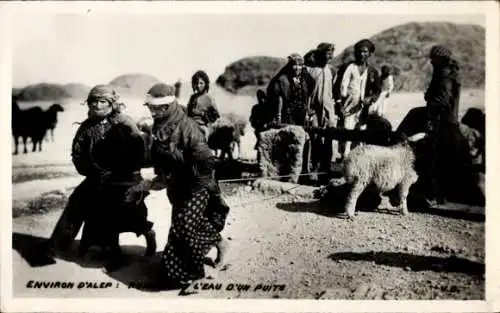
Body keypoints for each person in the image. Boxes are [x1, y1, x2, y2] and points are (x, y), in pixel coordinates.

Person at [125, 83, 231, 287]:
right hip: (177, 187)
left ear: (167, 107)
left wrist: (193, 182)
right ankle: (222, 244)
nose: (153, 112)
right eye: (150, 108)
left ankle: (192, 277)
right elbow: (162, 160)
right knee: (191, 224)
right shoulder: (159, 126)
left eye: (156, 108)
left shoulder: (187, 127)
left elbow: (206, 160)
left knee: (183, 229)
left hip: (197, 186)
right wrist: (153, 180)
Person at [43, 85, 156, 271]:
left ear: (111, 104)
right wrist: (88, 169)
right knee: (78, 202)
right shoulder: (87, 126)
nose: (97, 105)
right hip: (98, 177)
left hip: (124, 177)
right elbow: (77, 152)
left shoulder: (124, 123)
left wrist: (127, 174)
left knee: (130, 216)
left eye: (102, 101)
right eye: (93, 101)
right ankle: (59, 246)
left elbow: (138, 151)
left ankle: (148, 234)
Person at [423, 45, 462, 207]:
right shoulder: (449, 73)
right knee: (442, 159)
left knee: (436, 158)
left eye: (434, 58)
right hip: (449, 120)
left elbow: (442, 100)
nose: (431, 61)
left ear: (441, 59)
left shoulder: (444, 74)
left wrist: (430, 102)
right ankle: (440, 196)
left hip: (442, 121)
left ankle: (435, 196)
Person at [334, 39, 381, 161]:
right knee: (346, 135)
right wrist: (339, 104)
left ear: (370, 53)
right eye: (359, 51)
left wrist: (371, 98)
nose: (362, 54)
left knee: (360, 135)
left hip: (363, 110)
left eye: (365, 52)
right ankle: (344, 162)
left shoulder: (372, 72)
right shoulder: (347, 67)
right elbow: (337, 86)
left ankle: (358, 162)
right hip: (347, 108)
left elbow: (378, 90)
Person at [305, 43, 337, 183]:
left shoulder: (331, 71)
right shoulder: (311, 71)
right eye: (327, 53)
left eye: (331, 53)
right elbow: (306, 93)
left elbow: (332, 93)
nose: (329, 56)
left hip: (328, 112)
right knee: (314, 140)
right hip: (314, 112)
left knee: (328, 140)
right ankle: (313, 171)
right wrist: (307, 110)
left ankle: (326, 171)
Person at [266, 53, 314, 127]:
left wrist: (307, 113)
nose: (297, 68)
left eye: (300, 65)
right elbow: (280, 97)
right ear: (290, 66)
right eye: (294, 65)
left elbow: (308, 96)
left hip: (302, 114)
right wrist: (279, 115)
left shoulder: (305, 80)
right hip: (288, 114)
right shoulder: (283, 80)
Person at [186, 70, 221, 141]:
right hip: (189, 125)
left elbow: (217, 116)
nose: (198, 86)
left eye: (201, 83)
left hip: (202, 126)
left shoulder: (209, 98)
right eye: (196, 83)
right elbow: (188, 113)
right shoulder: (192, 97)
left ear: (206, 84)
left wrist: (206, 116)